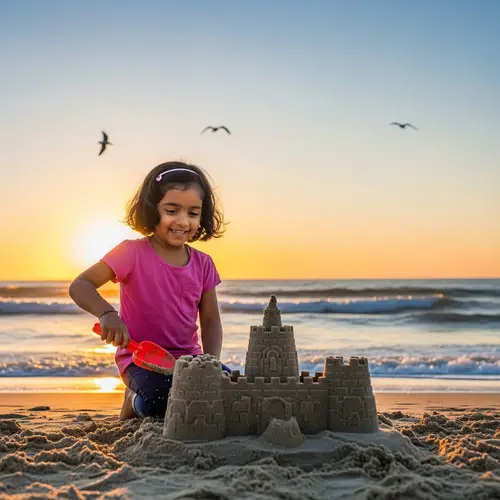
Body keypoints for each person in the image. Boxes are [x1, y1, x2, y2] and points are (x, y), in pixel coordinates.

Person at [69, 161, 229, 420]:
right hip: (139, 359)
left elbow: (210, 320)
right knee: (163, 402)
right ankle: (133, 399)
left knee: (231, 392)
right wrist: (107, 314)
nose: (182, 221)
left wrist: (209, 362)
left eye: (192, 212)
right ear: (152, 209)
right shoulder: (131, 253)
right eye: (172, 210)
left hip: (189, 360)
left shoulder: (203, 263)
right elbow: (80, 285)